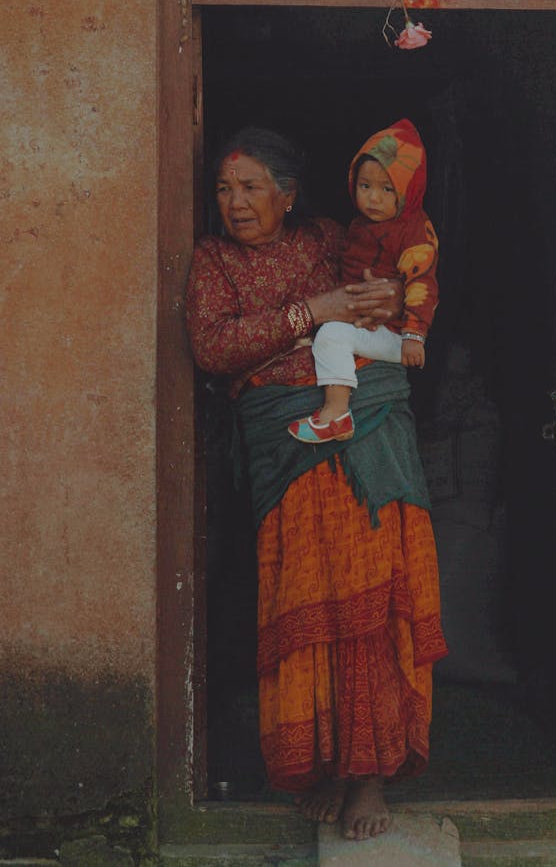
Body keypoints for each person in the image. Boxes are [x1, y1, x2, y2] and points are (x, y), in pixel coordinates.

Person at [185, 125, 447, 841]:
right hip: (287, 442)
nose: (234, 202)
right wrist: (312, 313)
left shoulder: (333, 238)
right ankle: (333, 763)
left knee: (374, 593)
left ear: (288, 195)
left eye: (250, 187)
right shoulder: (211, 262)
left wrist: (381, 300)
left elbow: (395, 285)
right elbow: (212, 345)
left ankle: (370, 773)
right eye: (223, 189)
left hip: (369, 422)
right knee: (311, 596)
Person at [288, 119, 438, 444]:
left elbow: (423, 284)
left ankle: (336, 415)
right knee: (327, 333)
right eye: (365, 186)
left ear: (409, 191)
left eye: (388, 189)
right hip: (372, 326)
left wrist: (415, 334)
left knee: (331, 336)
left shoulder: (413, 231)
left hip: (398, 335)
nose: (373, 198)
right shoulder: (359, 225)